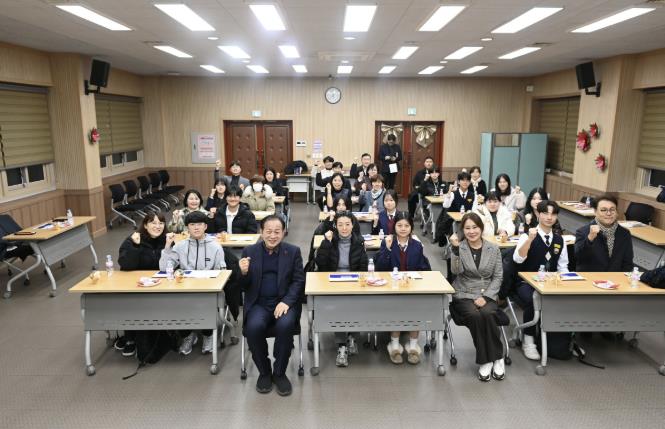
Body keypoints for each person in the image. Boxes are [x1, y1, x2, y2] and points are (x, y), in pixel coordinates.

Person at [239, 215, 305, 396]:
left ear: (284, 232)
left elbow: (299, 281)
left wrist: (286, 302)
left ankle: (280, 372)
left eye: (277, 232)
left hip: (283, 303)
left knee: (286, 325)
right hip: (259, 304)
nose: (273, 236)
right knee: (253, 327)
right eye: (268, 231)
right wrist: (243, 273)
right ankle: (264, 371)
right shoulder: (249, 251)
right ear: (261, 232)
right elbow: (243, 286)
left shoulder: (293, 251)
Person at [449, 213, 505, 381]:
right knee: (474, 315)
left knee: (487, 313)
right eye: (467, 228)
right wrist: (455, 250)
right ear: (462, 230)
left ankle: (497, 358)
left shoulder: (493, 248)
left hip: (487, 292)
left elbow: (498, 277)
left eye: (475, 227)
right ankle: (488, 359)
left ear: (481, 228)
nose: (471, 231)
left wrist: (486, 297)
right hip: (464, 292)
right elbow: (455, 271)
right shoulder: (460, 247)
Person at [160, 211, 226, 355]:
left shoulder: (216, 247)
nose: (196, 227)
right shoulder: (180, 246)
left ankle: (208, 335)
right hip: (185, 289)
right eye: (192, 224)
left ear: (205, 226)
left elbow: (221, 274)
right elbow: (164, 269)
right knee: (175, 304)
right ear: (187, 227)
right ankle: (188, 335)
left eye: (200, 224)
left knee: (207, 303)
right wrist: (167, 247)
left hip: (208, 290)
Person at [513, 200, 569, 360]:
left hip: (550, 283)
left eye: (553, 214)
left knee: (565, 299)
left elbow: (563, 266)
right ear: (538, 214)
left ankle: (558, 339)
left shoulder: (559, 240)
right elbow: (517, 259)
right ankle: (528, 339)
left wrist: (565, 284)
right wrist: (529, 240)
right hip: (526, 283)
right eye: (545, 213)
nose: (549, 217)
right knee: (534, 299)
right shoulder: (527, 235)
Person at [375, 212, 431, 364]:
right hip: (391, 288)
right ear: (394, 227)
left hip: (411, 287)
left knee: (417, 306)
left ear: (411, 227)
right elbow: (380, 269)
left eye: (407, 225)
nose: (403, 228)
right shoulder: (388, 242)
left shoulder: (417, 246)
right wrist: (387, 249)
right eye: (399, 225)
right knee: (397, 306)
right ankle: (394, 344)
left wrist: (416, 277)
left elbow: (424, 269)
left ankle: (413, 345)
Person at [315, 212, 368, 367]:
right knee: (339, 308)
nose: (344, 228)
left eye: (347, 224)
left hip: (353, 282)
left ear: (353, 225)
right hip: (333, 282)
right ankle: (342, 345)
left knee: (356, 305)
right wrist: (326, 242)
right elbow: (321, 264)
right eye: (340, 225)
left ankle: (351, 336)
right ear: (335, 226)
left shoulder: (359, 241)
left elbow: (363, 267)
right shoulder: (330, 240)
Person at [115, 213, 168, 357]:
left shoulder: (167, 240)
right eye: (153, 223)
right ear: (145, 225)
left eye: (161, 223)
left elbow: (173, 266)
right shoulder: (133, 239)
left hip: (160, 286)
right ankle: (130, 337)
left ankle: (150, 336)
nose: (158, 226)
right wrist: (135, 246)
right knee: (132, 304)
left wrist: (169, 246)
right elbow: (126, 265)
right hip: (137, 286)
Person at [575, 194, 634, 272]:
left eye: (612, 210)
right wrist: (589, 239)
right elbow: (579, 258)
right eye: (603, 210)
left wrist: (620, 278)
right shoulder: (583, 231)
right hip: (590, 277)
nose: (609, 213)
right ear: (595, 212)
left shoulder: (624, 233)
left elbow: (628, 263)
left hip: (616, 278)